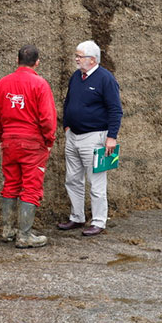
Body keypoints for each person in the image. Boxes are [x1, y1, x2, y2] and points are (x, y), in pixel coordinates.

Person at [0, 45, 57, 248]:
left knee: (11, 183)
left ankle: (8, 230)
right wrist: (49, 140)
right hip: (32, 143)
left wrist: (2, 136)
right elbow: (47, 118)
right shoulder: (40, 84)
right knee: (30, 186)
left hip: (9, 141)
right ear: (37, 62)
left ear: (17, 60)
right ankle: (25, 235)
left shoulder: (3, 83)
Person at [58, 40, 123, 236]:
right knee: (73, 179)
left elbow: (115, 109)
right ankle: (76, 217)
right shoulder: (76, 77)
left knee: (96, 182)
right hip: (73, 136)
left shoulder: (106, 79)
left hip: (94, 137)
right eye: (76, 56)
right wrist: (66, 126)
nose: (76, 59)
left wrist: (111, 137)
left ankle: (99, 221)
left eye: (80, 56)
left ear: (92, 60)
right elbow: (68, 101)